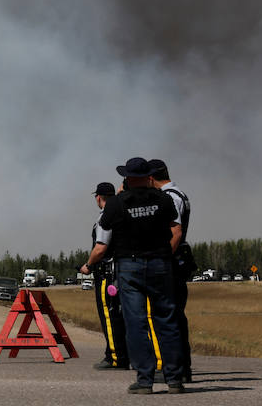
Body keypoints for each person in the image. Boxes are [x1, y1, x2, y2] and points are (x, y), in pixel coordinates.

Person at [98, 157, 185, 395]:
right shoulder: (163, 199)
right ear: (148, 176)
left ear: (126, 178)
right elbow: (173, 226)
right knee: (166, 319)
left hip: (129, 264)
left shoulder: (117, 203)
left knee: (136, 322)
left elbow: (105, 225)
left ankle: (145, 380)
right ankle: (175, 378)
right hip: (159, 263)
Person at [148, 159, 194, 383]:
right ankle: (180, 367)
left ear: (151, 177)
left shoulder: (170, 197)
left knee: (169, 316)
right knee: (174, 315)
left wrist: (163, 260)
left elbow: (175, 233)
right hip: (175, 259)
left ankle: (177, 367)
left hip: (172, 261)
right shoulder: (179, 193)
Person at [80, 182, 129, 370]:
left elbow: (100, 248)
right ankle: (127, 353)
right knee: (122, 315)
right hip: (122, 272)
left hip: (107, 274)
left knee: (109, 315)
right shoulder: (124, 213)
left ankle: (115, 356)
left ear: (99, 198)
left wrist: (88, 265)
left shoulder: (105, 217)